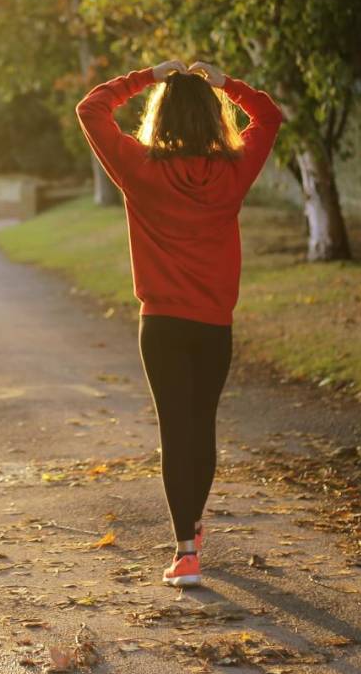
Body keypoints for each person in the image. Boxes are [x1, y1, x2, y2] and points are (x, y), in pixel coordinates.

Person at [75, 58, 284, 587]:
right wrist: (226, 84)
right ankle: (191, 526)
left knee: (176, 429)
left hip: (162, 324)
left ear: (160, 117)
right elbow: (269, 116)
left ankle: (186, 551)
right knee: (202, 425)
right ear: (214, 119)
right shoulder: (233, 171)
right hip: (213, 324)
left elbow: (91, 108)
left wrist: (147, 76)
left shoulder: (139, 168)